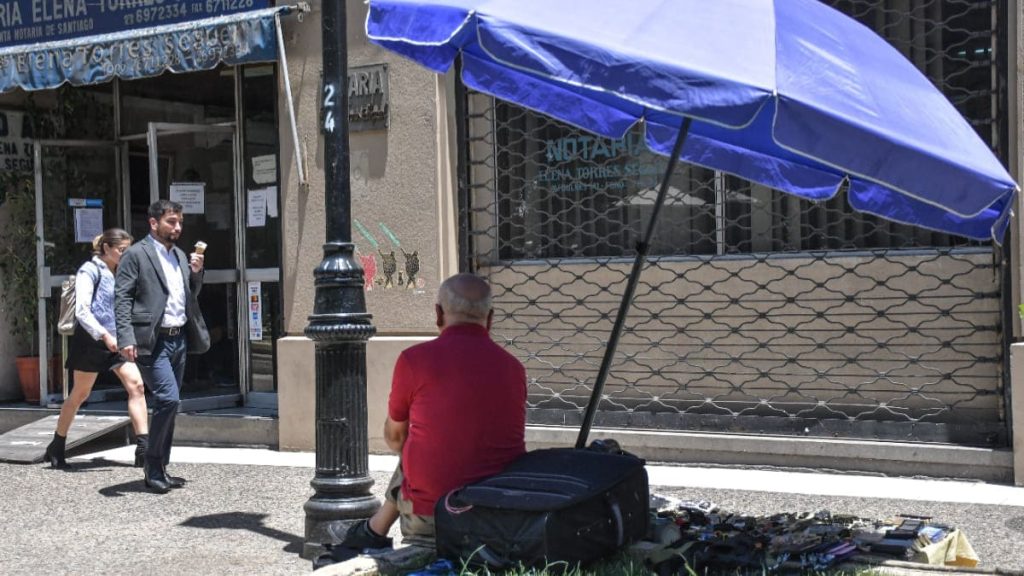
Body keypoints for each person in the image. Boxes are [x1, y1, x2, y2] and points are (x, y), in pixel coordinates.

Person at [334, 273, 527, 551]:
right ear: (490, 318)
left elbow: (395, 437)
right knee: (428, 442)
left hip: (432, 513)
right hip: (497, 511)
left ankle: (373, 531)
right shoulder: (514, 368)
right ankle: (373, 529)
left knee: (413, 442)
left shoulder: (415, 360)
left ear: (438, 313)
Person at [114, 200, 209, 494]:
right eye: (171, 221)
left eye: (179, 222)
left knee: (172, 402)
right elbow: (122, 297)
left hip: (179, 337)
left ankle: (161, 468)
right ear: (154, 223)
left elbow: (189, 295)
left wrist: (196, 273)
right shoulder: (136, 254)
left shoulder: (180, 255)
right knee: (167, 399)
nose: (177, 227)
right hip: (151, 340)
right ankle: (152, 465)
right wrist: (126, 337)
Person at [43, 229, 150, 469]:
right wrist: (103, 334)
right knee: (80, 394)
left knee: (137, 385)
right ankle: (57, 445)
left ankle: (144, 449)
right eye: (121, 250)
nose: (125, 255)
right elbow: (82, 310)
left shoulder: (122, 272)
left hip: (118, 340)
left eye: (128, 250)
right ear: (106, 249)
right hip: (92, 340)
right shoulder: (89, 271)